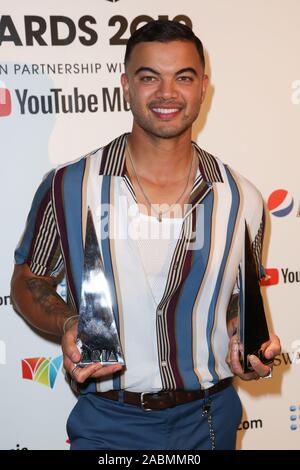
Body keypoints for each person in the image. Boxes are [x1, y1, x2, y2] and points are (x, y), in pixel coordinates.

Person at [11, 20, 281, 450]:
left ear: (203, 86)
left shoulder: (242, 199)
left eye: (184, 77)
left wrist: (241, 339)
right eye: (149, 77)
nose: (167, 93)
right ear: (126, 85)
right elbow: (29, 282)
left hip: (210, 420)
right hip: (108, 423)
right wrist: (68, 323)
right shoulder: (69, 186)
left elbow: (235, 298)